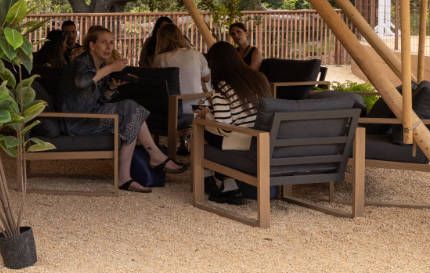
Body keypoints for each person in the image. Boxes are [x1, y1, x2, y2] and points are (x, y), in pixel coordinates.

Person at [60, 25, 182, 193]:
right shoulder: (82, 62)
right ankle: (149, 160)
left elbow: (100, 99)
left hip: (91, 115)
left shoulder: (99, 65)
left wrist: (111, 87)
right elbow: (81, 83)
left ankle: (132, 172)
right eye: (104, 42)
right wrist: (110, 69)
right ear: (92, 45)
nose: (109, 47)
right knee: (131, 110)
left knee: (133, 113)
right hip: (78, 120)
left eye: (111, 42)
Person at [199, 41, 272, 204]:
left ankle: (213, 180)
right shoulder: (260, 79)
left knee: (199, 133)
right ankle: (225, 181)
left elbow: (224, 128)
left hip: (244, 144)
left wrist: (206, 117)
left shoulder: (222, 89)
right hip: (265, 141)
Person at [148, 18, 210, 114]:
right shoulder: (195, 54)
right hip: (198, 107)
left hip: (174, 109)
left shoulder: (159, 59)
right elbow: (206, 78)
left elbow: (155, 85)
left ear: (161, 39)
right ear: (180, 36)